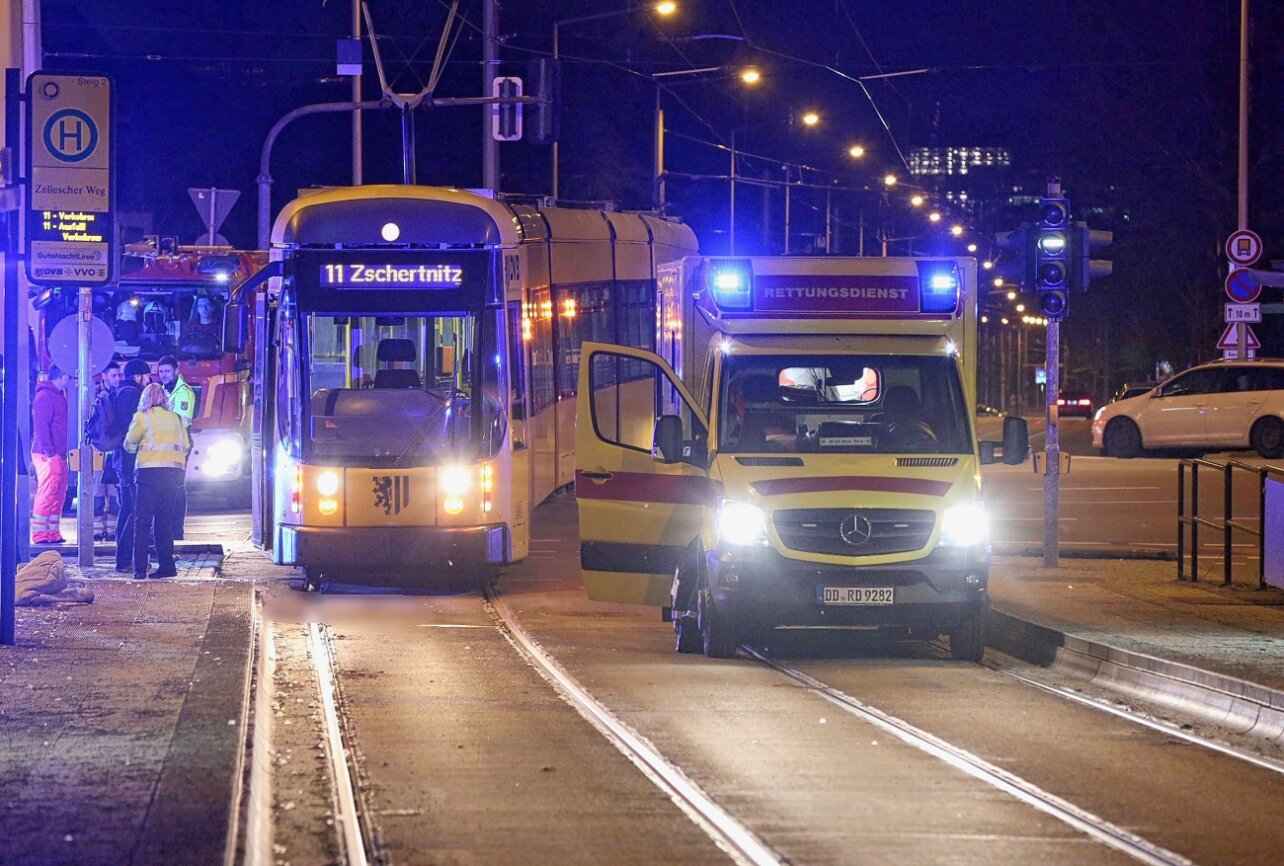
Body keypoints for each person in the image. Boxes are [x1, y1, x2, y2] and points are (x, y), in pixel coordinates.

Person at [124, 382, 190, 580]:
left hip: (148, 475)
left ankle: (140, 569)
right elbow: (185, 447)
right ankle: (167, 566)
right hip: (172, 476)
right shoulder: (178, 419)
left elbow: (129, 444)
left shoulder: (142, 417)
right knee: (164, 523)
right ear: (164, 398)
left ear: (145, 398)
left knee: (142, 523)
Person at [111, 359, 151, 572]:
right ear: (138, 376)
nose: (149, 380)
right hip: (130, 461)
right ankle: (125, 560)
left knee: (126, 508)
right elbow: (133, 430)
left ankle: (123, 557)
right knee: (135, 509)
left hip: (120, 459)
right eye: (147, 376)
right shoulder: (133, 395)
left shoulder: (120, 391)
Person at [31, 366, 72, 545]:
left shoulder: (57, 395)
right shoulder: (45, 396)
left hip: (57, 453)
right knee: (48, 492)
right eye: (69, 377)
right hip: (47, 454)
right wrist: (50, 452)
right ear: (62, 377)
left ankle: (52, 532)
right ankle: (40, 534)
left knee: (58, 492)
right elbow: (41, 428)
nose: (70, 381)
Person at [157, 355, 194, 540]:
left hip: (179, 444)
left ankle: (177, 531)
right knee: (168, 488)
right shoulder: (163, 390)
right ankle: (169, 530)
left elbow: (182, 422)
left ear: (176, 371)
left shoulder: (183, 392)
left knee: (178, 487)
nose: (163, 375)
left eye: (167, 371)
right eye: (161, 371)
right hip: (166, 445)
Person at [92, 361, 124, 541]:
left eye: (118, 375)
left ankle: (112, 531)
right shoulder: (93, 394)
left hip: (113, 451)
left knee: (113, 494)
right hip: (98, 451)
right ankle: (97, 531)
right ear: (103, 376)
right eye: (114, 375)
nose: (117, 379)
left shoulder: (120, 394)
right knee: (97, 493)